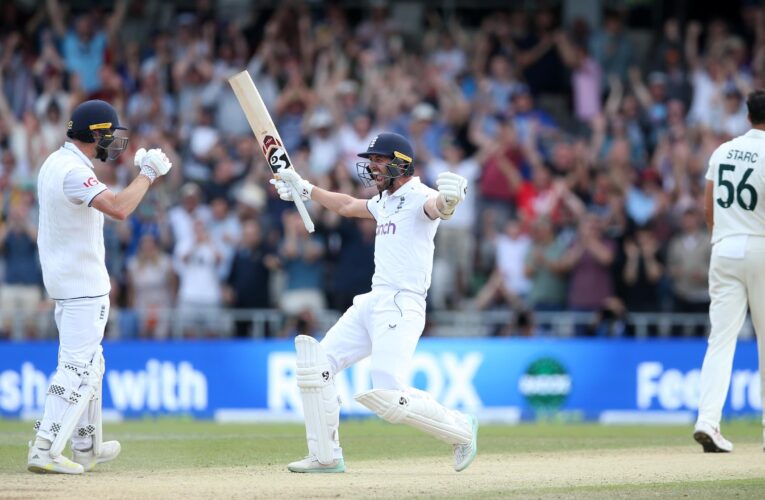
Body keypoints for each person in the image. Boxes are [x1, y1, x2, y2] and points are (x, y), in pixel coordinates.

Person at [271, 132, 477, 473]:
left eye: (380, 160)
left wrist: (452, 200)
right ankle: (326, 455)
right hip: (373, 300)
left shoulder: (419, 195)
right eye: (371, 161)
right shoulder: (384, 202)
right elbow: (347, 206)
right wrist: (304, 188)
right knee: (316, 366)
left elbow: (438, 207)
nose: (373, 168)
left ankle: (461, 428)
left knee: (387, 396)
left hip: (402, 304)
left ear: (401, 163)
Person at [28, 99, 172, 474]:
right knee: (77, 366)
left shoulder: (55, 162)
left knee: (92, 364)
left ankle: (85, 445)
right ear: (96, 135)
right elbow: (120, 208)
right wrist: (148, 174)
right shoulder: (74, 171)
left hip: (67, 281)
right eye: (110, 134)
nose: (114, 142)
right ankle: (44, 447)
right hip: (81, 285)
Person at [694, 90, 765, 453]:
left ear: (748, 116)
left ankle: (707, 421)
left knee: (720, 341)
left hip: (723, 247)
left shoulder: (722, 151)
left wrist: (721, 242)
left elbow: (709, 207)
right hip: (761, 244)